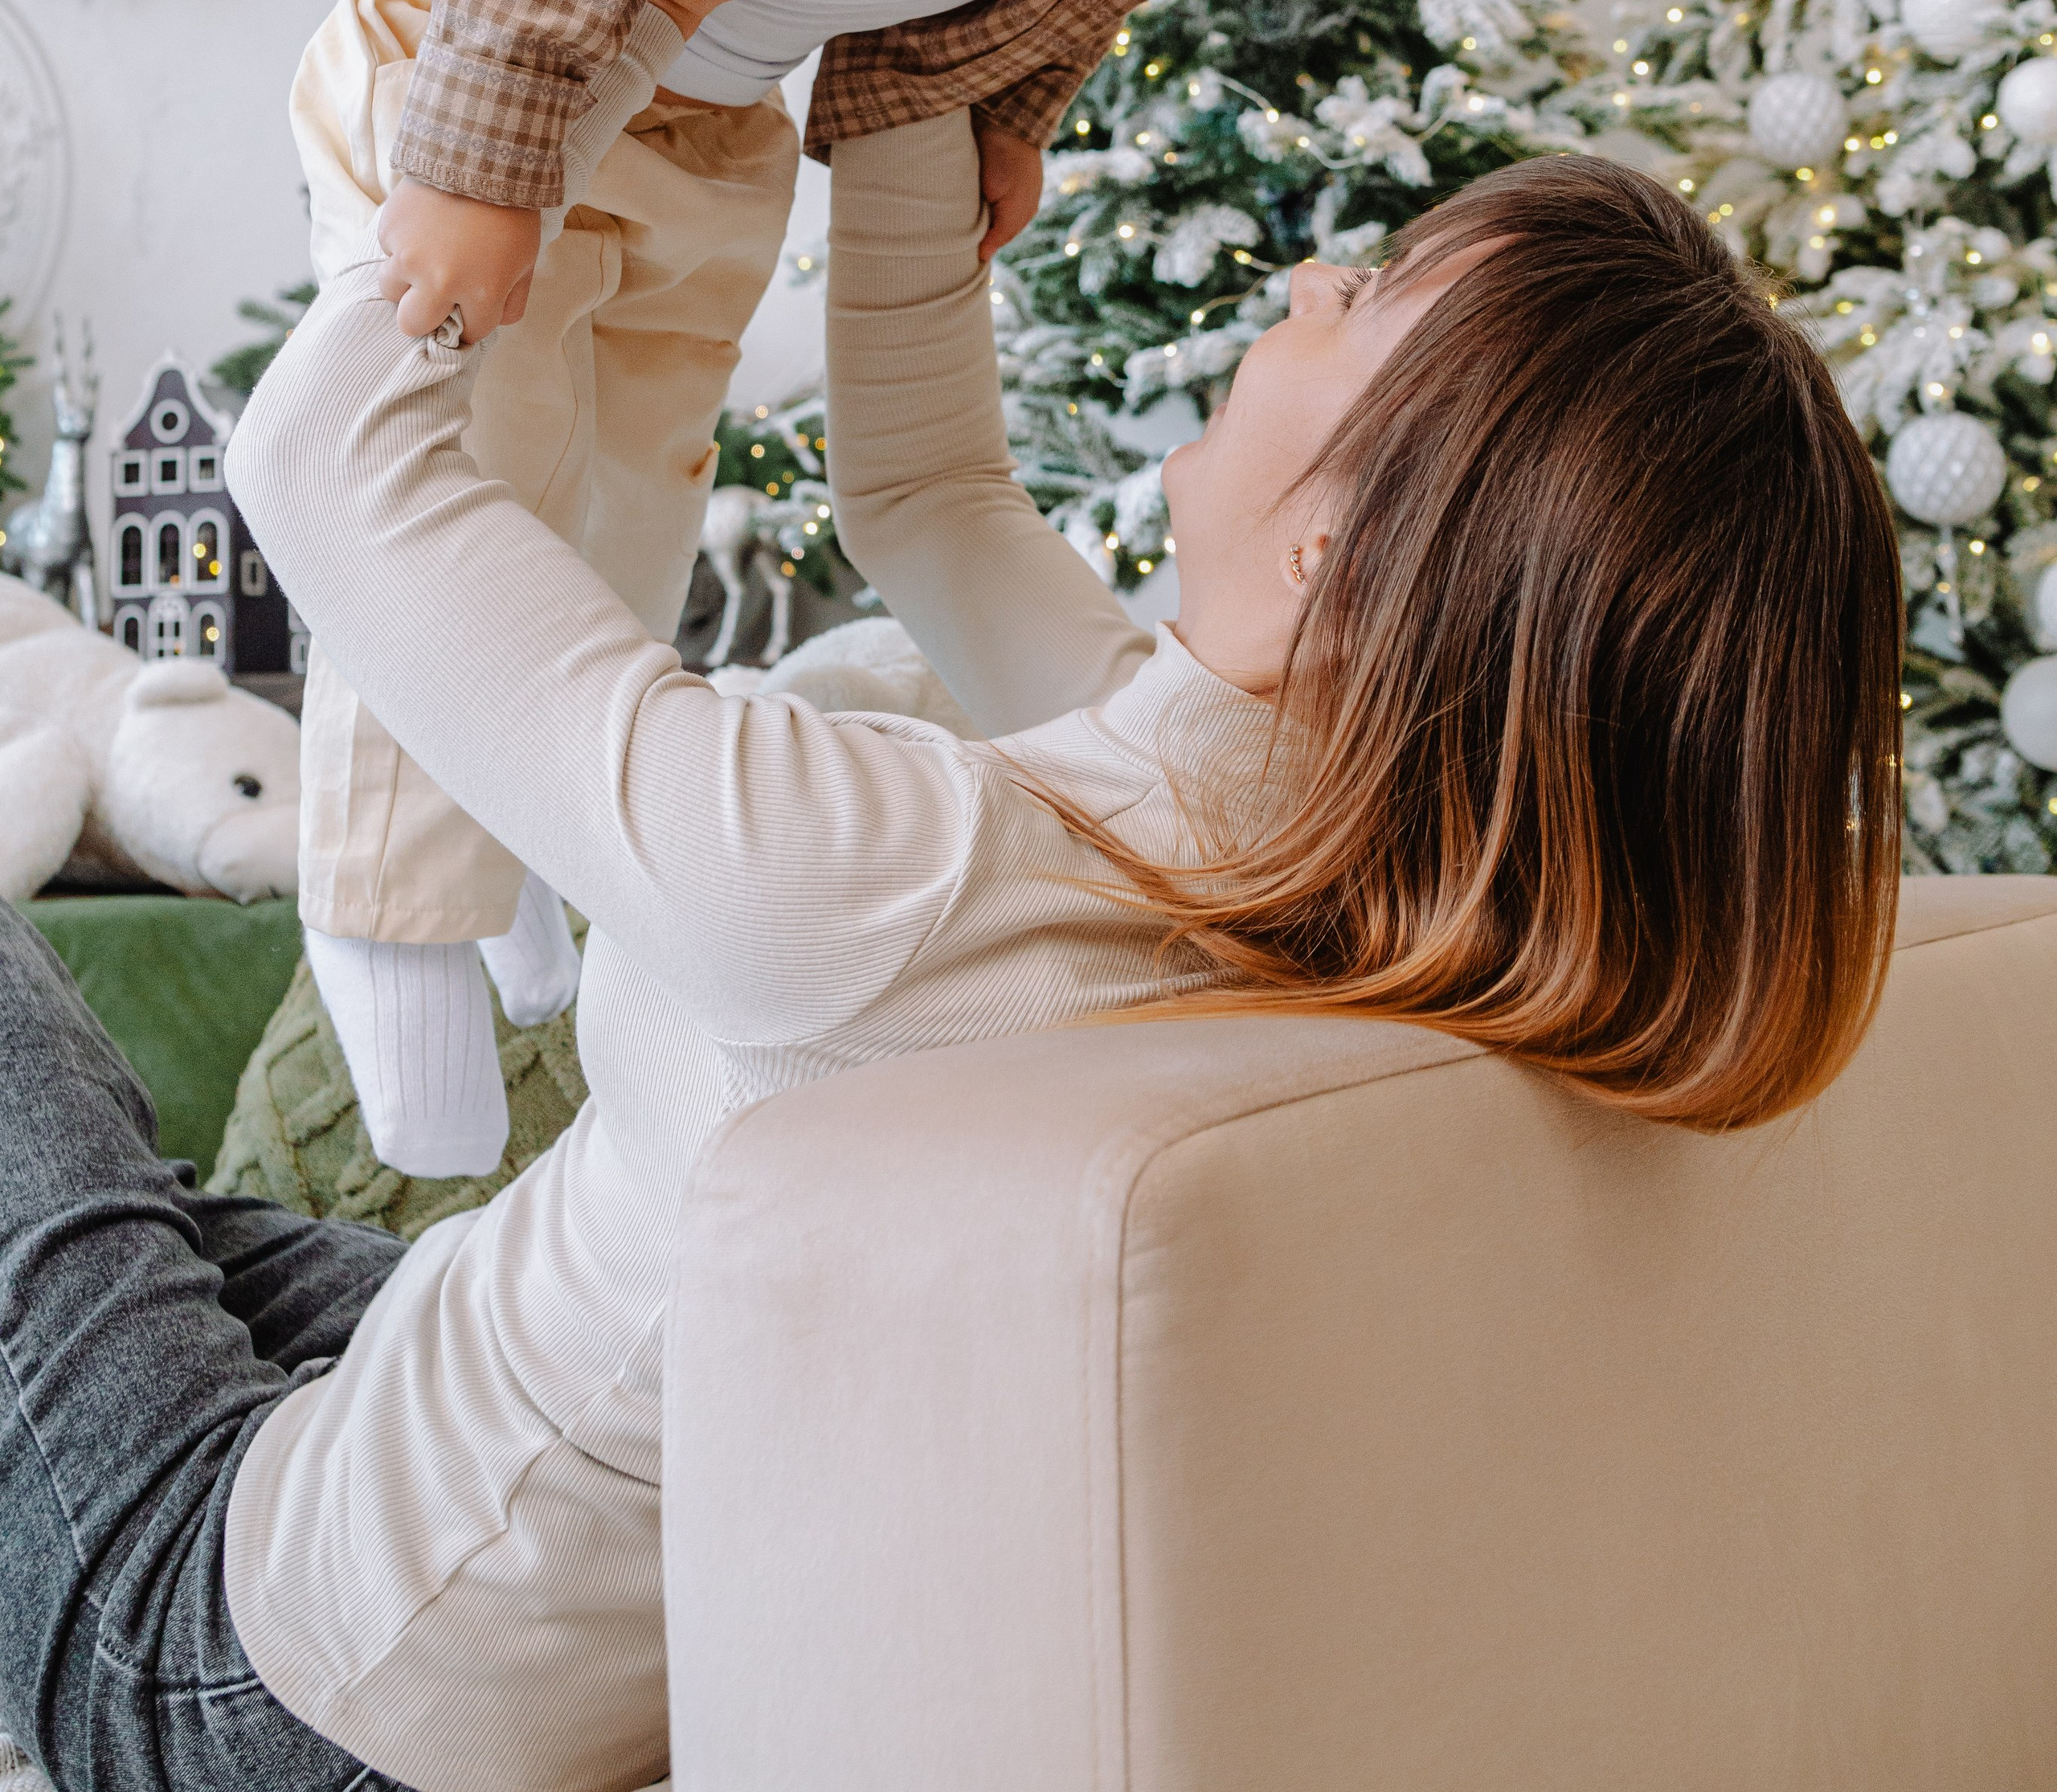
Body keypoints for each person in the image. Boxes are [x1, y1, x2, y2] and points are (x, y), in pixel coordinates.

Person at [0, 122, 1902, 1792]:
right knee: (139, 1217)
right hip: (547, 1444)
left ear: (1343, 545)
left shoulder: (888, 877)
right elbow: (927, 492)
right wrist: (930, 119)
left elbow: (316, 449)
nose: (1314, 275)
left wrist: (520, 101)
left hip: (273, 1689)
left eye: (1374, 298)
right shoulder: (1307, 876)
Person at [288, 0, 1438, 1173]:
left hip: (705, 128)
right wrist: (468, 173)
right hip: (489, 59)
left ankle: (504, 834)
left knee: (628, 499)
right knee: (472, 456)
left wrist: (1003, 123)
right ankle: (384, 908)